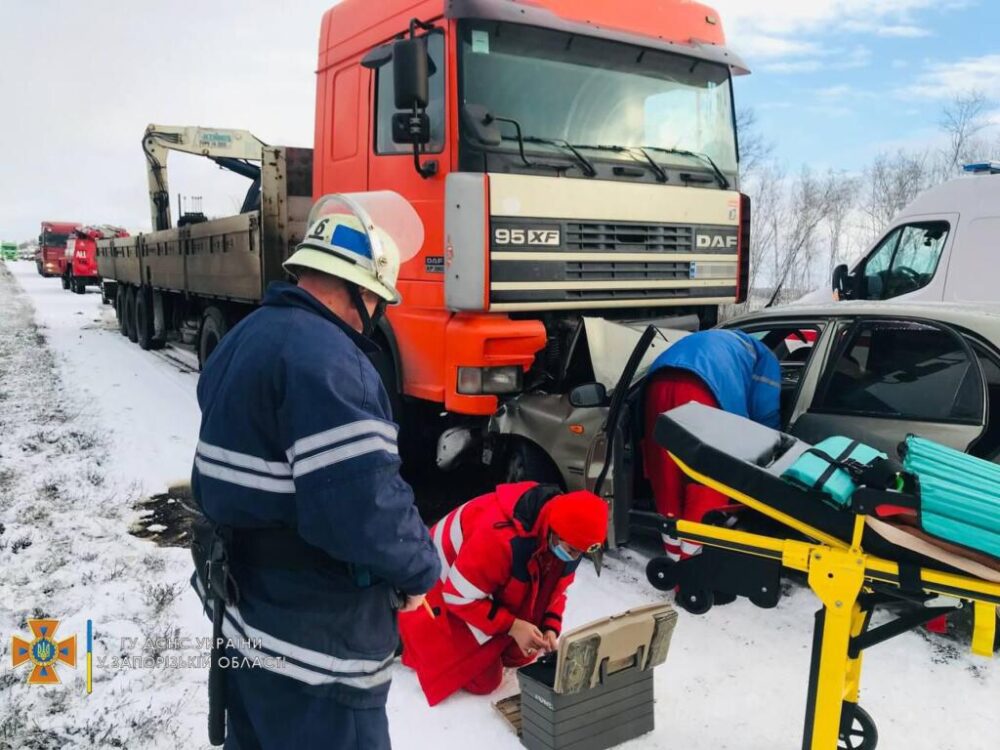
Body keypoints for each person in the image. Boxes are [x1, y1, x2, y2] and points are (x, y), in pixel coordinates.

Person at [189, 193, 440, 749]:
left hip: (244, 618)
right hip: (314, 648)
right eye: (379, 300)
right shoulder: (330, 361)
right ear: (362, 290)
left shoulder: (245, 337)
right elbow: (364, 507)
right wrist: (421, 570)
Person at [398, 482, 608, 706]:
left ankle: (496, 636)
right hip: (434, 592)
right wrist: (513, 626)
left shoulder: (556, 532)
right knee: (484, 681)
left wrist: (549, 627)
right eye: (572, 550)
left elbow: (556, 588)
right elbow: (456, 596)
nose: (575, 557)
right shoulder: (499, 537)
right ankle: (402, 635)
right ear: (555, 532)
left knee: (523, 652)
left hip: (472, 587)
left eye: (580, 552)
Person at [642, 329, 781, 560]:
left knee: (666, 473)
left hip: (657, 384)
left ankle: (673, 560)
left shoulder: (727, 340)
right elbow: (766, 415)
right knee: (708, 478)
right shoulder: (767, 360)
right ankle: (691, 569)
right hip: (702, 392)